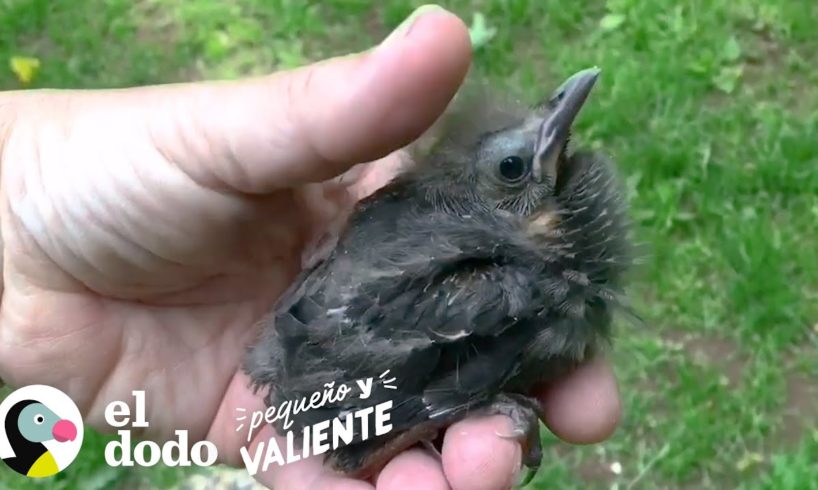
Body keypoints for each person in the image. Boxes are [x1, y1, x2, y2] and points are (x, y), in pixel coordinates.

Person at [0, 6, 620, 490]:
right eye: (514, 166)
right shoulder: (505, 283)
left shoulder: (490, 254)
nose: (556, 119)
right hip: (319, 383)